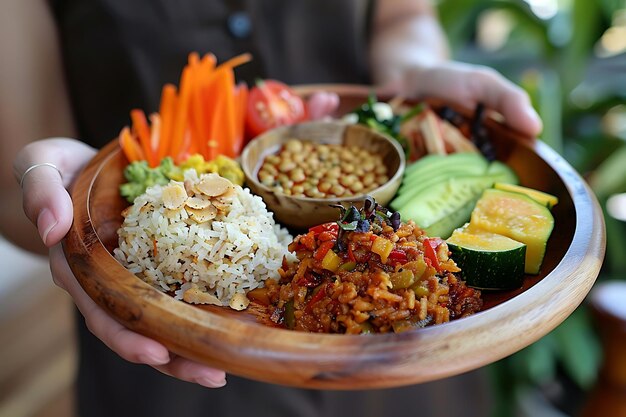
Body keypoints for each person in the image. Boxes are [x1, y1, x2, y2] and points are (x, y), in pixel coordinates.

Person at [2, 0, 542, 416]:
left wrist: (417, 69)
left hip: (410, 366)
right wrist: (70, 217)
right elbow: (12, 196)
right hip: (172, 357)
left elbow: (401, 16)